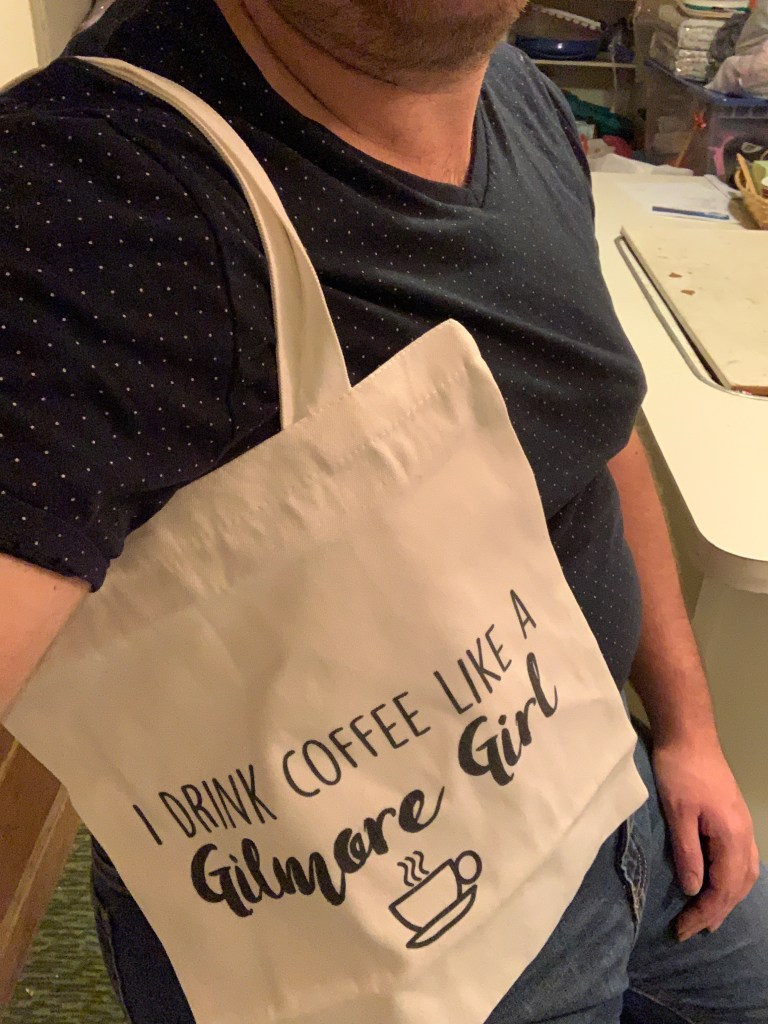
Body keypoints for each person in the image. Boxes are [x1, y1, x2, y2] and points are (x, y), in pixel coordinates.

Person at [0, 1, 765, 1021]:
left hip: (613, 789)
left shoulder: (515, 96)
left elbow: (595, 427)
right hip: (382, 941)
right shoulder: (88, 203)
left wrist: (688, 730)